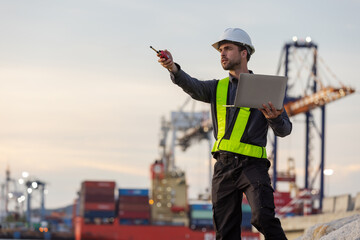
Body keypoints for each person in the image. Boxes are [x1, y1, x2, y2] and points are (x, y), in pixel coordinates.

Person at [157, 28, 292, 240]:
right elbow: (191, 85)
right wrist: (173, 68)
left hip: (253, 166)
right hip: (223, 167)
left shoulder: (266, 89)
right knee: (225, 232)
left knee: (263, 218)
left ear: (244, 52)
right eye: (220, 49)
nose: (222, 53)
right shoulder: (216, 88)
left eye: (228, 48)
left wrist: (274, 117)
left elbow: (285, 129)